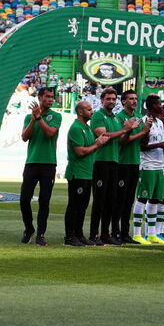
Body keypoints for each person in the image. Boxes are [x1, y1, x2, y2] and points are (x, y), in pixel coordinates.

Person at [89, 88, 139, 245]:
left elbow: (121, 140)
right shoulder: (98, 115)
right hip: (101, 161)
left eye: (113, 99)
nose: (111, 101)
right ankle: (93, 234)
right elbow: (103, 136)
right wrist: (125, 130)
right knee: (99, 200)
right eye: (108, 99)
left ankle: (105, 234)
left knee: (110, 200)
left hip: (114, 161)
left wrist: (130, 131)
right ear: (102, 100)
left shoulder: (116, 119)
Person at [64, 101, 110, 246]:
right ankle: (69, 236)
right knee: (74, 205)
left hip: (87, 173)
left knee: (83, 206)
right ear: (80, 112)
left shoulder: (87, 128)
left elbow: (90, 147)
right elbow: (80, 152)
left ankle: (79, 234)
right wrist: (97, 144)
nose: (92, 111)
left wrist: (97, 142)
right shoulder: (76, 128)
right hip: (77, 173)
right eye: (89, 109)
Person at [19, 87, 60, 246]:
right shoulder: (29, 117)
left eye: (52, 97)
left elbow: (50, 133)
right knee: (24, 200)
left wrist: (39, 119)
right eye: (47, 97)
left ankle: (41, 234)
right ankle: (29, 228)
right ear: (40, 98)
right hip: (31, 162)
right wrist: (32, 119)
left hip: (49, 163)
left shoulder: (56, 116)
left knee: (44, 201)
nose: (50, 99)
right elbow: (24, 137)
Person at [115, 90, 152, 244]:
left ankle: (125, 233)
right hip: (122, 163)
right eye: (130, 98)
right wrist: (142, 132)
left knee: (129, 199)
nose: (134, 101)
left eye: (136, 98)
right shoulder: (120, 118)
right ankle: (115, 232)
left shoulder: (138, 118)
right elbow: (123, 140)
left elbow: (143, 143)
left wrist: (147, 132)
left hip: (135, 162)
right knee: (119, 199)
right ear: (123, 101)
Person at [138, 95, 164, 244]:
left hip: (159, 166)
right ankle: (137, 234)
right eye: (159, 104)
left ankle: (151, 233)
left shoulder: (159, 122)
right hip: (147, 165)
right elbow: (142, 146)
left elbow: (160, 143)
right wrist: (160, 145)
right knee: (142, 199)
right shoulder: (144, 121)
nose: (161, 106)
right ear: (153, 106)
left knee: (154, 200)